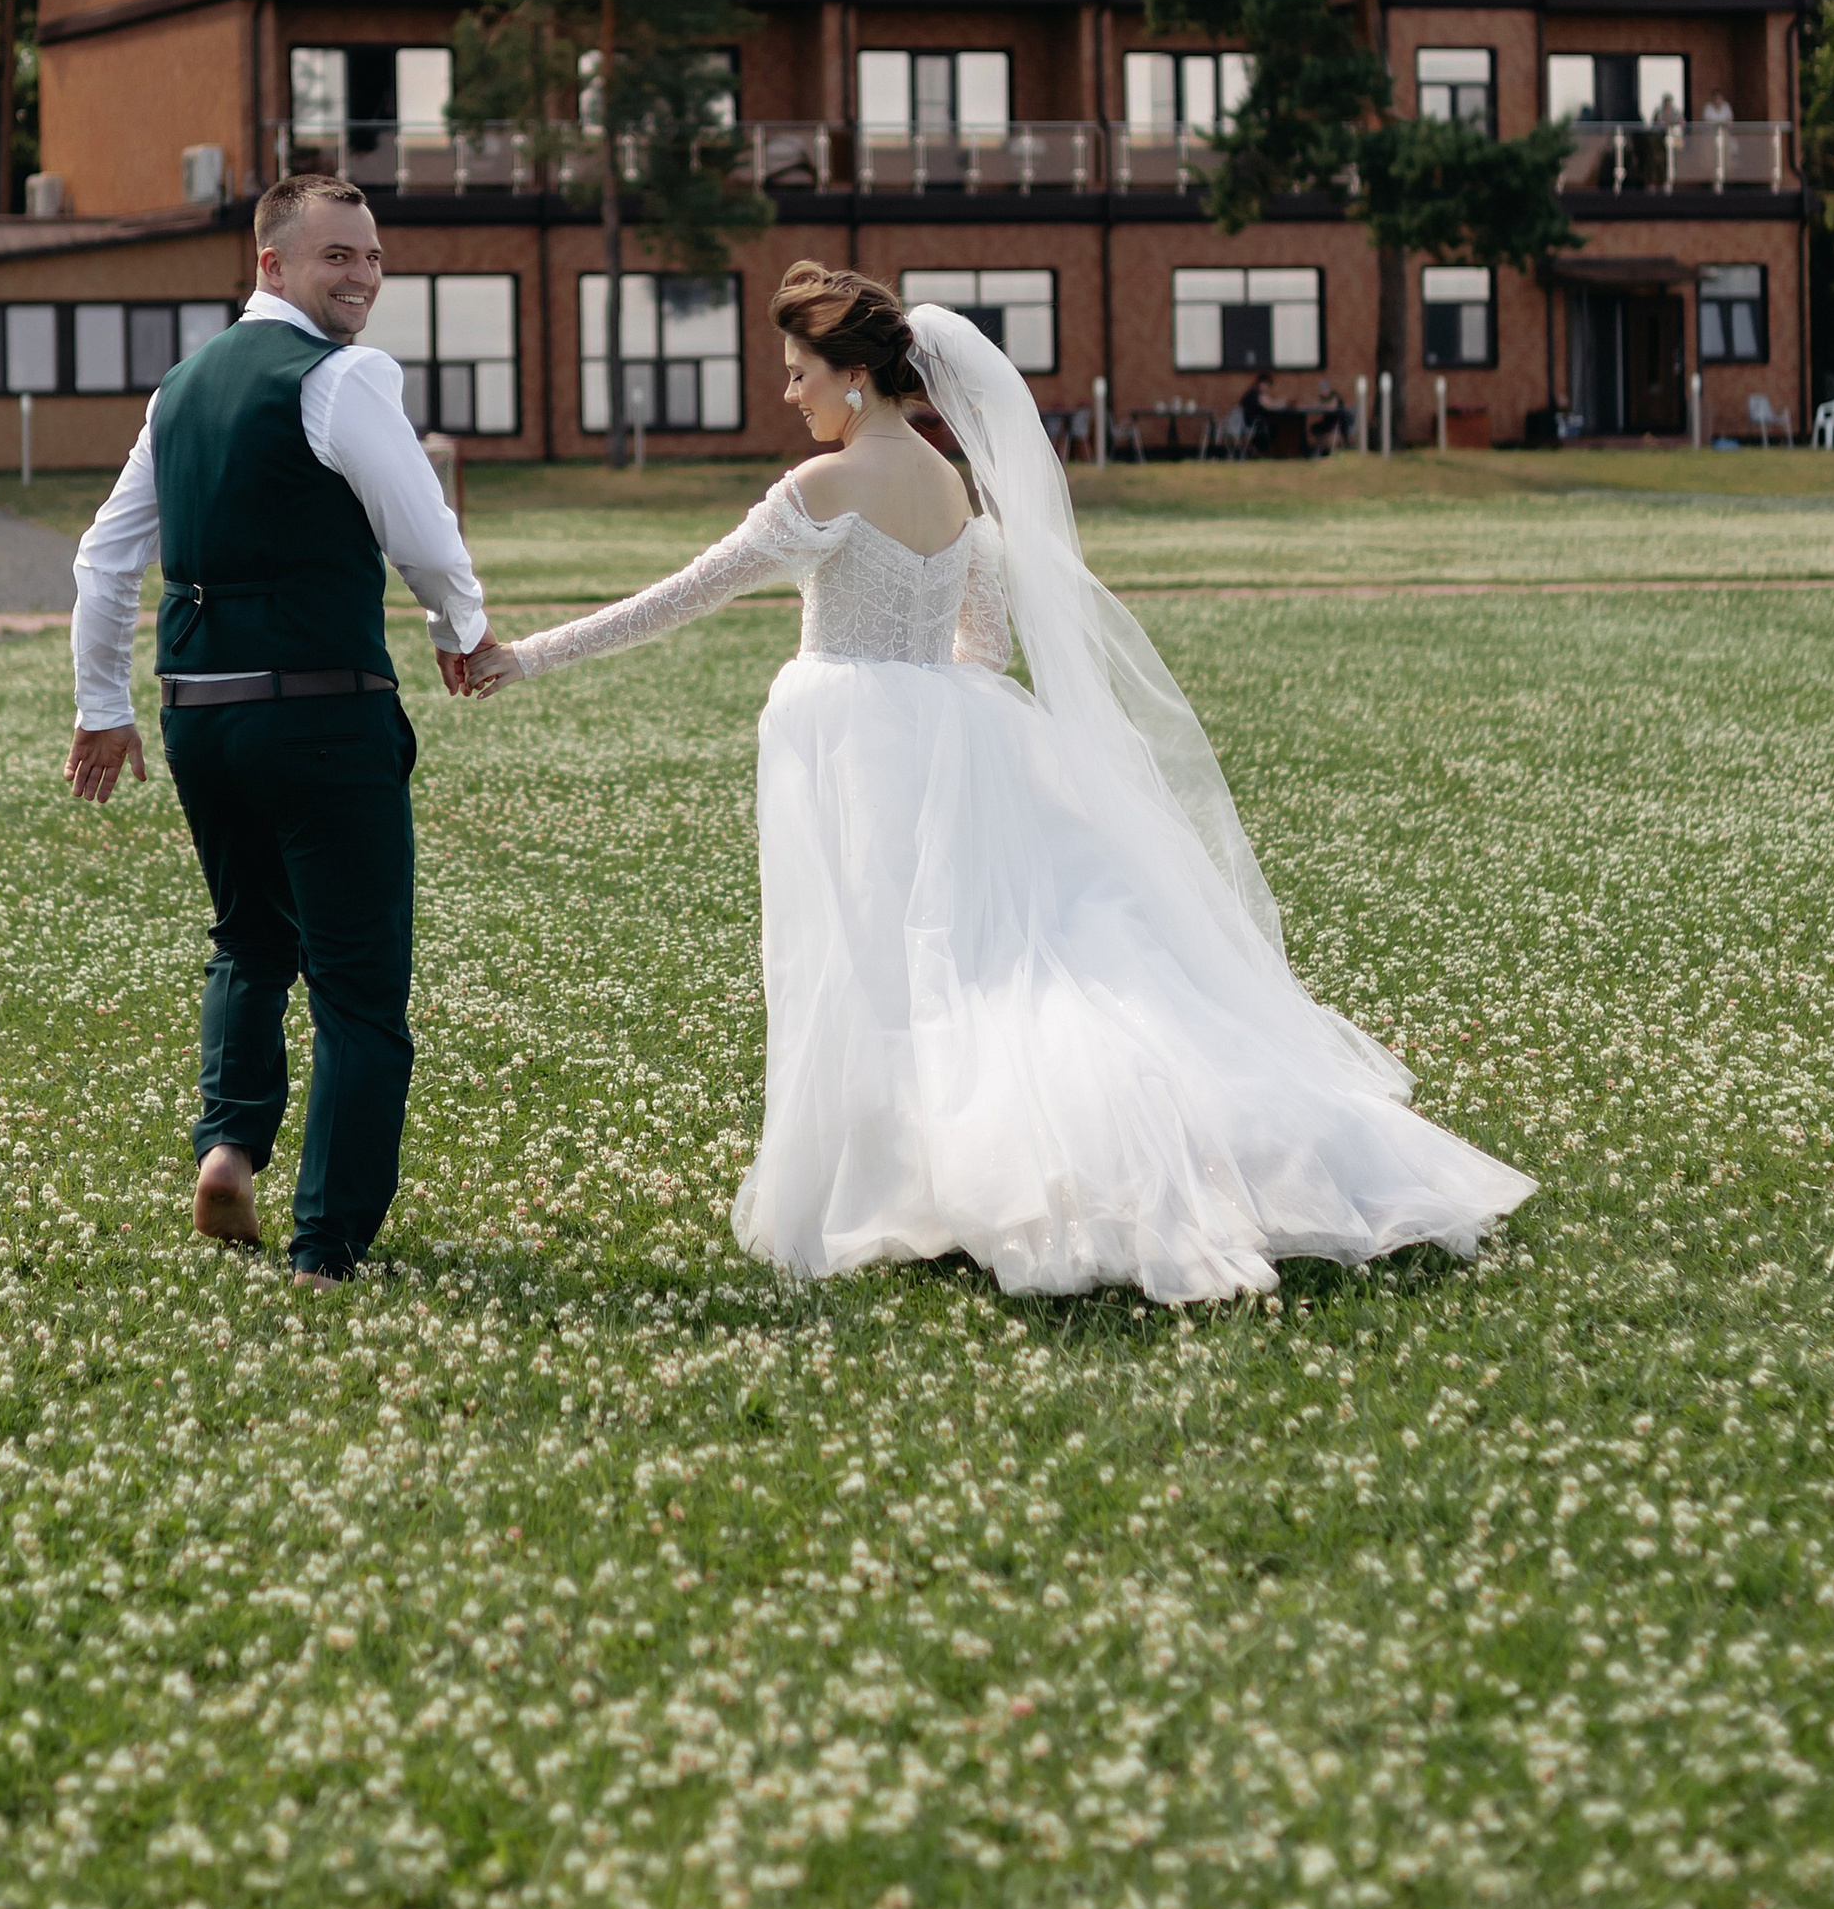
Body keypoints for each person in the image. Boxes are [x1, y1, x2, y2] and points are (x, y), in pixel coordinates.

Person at [465, 261, 1531, 1305]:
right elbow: (987, 646)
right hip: (952, 734)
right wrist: (929, 698)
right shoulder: (951, 485)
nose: (788, 395)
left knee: (878, 966)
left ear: (852, 376)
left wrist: (530, 656)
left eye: (798, 373)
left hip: (855, 742)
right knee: (970, 967)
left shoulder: (821, 487)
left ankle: (926, 1177)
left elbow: (679, 597)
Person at [64, 176, 504, 1284]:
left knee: (250, 942)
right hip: (322, 715)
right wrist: (462, 626)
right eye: (335, 257)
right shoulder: (343, 377)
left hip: (201, 720)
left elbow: (103, 559)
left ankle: (228, 1149)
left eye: (372, 256)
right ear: (272, 264)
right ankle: (326, 1243)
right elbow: (421, 529)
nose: (362, 277)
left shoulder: (179, 389)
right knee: (359, 988)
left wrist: (105, 707)